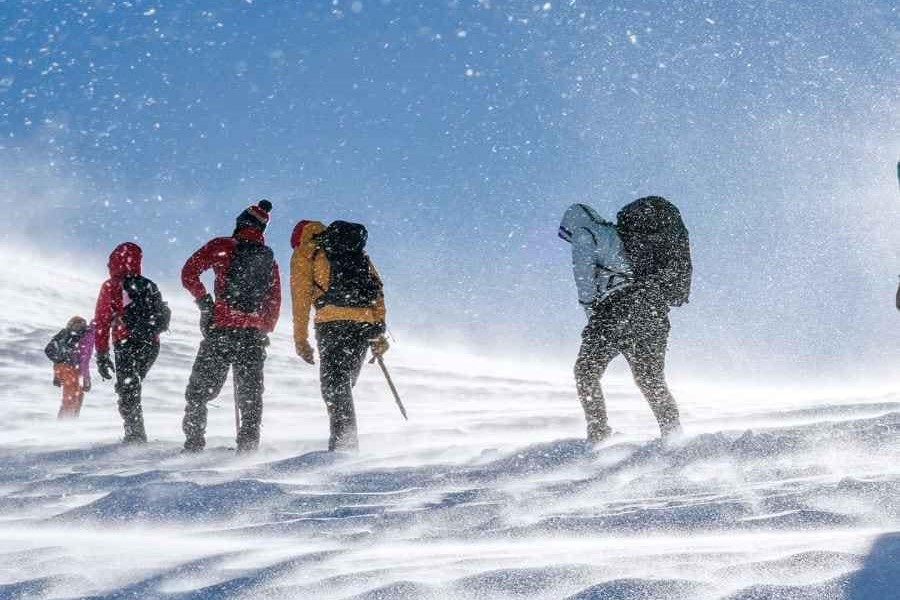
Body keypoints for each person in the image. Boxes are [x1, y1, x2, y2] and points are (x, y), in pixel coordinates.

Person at [559, 197, 692, 443]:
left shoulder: (584, 233)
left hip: (615, 310)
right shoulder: (623, 236)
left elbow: (584, 280)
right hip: (651, 309)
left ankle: (598, 434)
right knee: (650, 379)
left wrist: (591, 312)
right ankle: (674, 436)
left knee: (586, 372)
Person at [181, 200, 281, 453]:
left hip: (222, 330)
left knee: (198, 392)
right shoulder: (269, 260)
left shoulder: (222, 245)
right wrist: (262, 328)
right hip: (253, 336)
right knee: (250, 396)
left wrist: (206, 304)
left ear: (240, 223)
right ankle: (248, 448)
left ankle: (193, 445)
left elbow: (188, 273)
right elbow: (274, 300)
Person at [290, 219, 390, 451]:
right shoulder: (356, 251)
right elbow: (377, 290)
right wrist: (378, 330)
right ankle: (345, 441)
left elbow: (301, 299)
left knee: (335, 385)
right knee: (343, 382)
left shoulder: (306, 252)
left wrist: (300, 339)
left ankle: (344, 446)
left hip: (332, 323)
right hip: (364, 326)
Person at [94, 242, 169, 443]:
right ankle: (135, 432)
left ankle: (135, 436)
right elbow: (161, 317)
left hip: (125, 341)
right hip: (151, 344)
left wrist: (102, 354)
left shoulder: (111, 286)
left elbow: (102, 321)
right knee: (131, 385)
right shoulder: (149, 284)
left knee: (128, 388)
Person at [45, 316, 95, 418]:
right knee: (73, 399)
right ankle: (65, 425)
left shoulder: (66, 334)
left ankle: (68, 424)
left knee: (70, 399)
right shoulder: (87, 337)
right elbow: (83, 362)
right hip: (72, 370)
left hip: (64, 368)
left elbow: (58, 361)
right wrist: (86, 379)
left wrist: (57, 376)